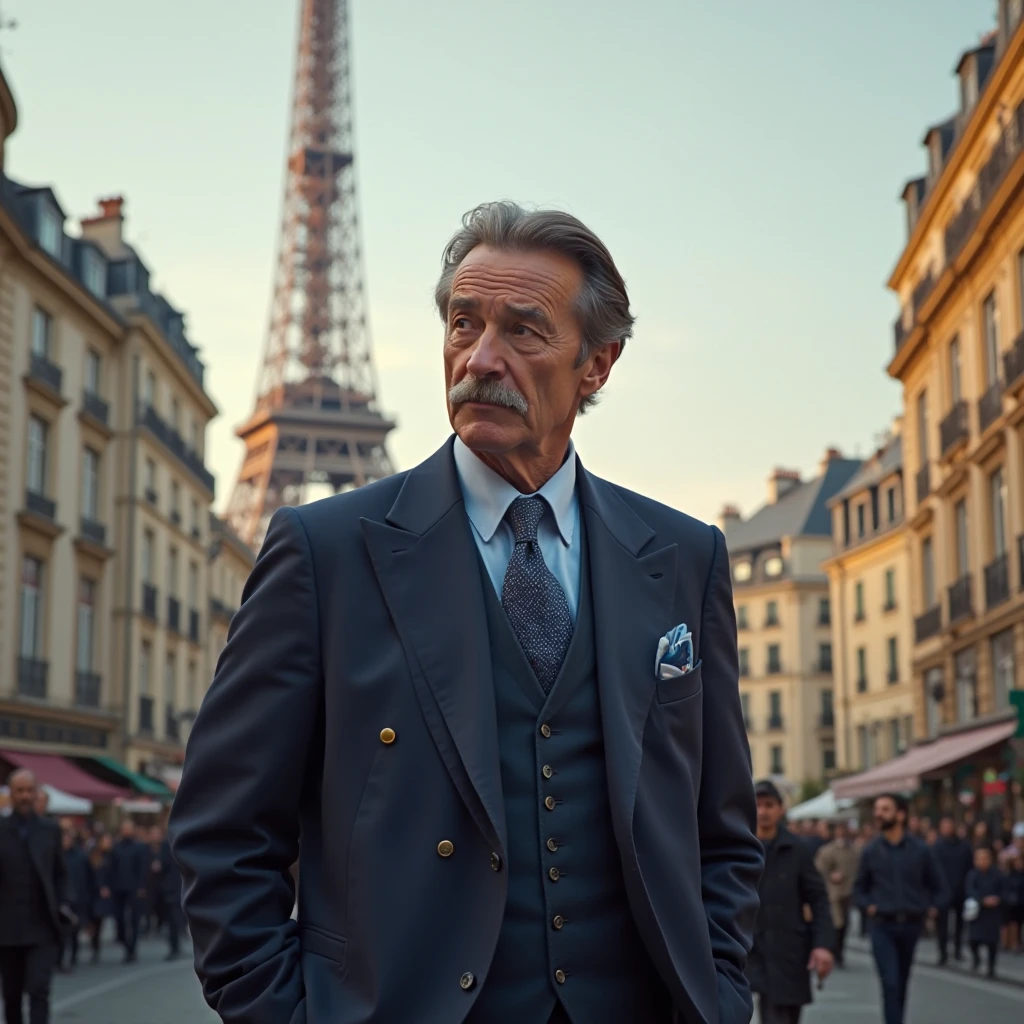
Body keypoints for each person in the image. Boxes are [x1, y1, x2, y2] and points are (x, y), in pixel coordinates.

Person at [170, 201, 764, 1024]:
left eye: (523, 331)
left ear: (597, 365)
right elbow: (223, 826)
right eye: (463, 323)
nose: (481, 358)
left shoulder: (683, 555)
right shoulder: (325, 551)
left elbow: (722, 824)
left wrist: (721, 994)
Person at [854, 793, 949, 1024]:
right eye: (877, 809)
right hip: (882, 925)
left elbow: (940, 887)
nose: (878, 814)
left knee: (902, 982)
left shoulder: (920, 850)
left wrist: (933, 908)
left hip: (911, 924)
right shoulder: (871, 850)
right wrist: (868, 906)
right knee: (891, 982)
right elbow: (859, 889)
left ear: (900, 814)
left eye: (885, 809)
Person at [745, 781, 833, 1024]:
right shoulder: (741, 848)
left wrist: (823, 945)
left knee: (785, 1016)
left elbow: (818, 899)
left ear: (780, 809)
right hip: (748, 948)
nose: (763, 811)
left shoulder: (798, 849)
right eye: (758, 805)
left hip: (788, 949)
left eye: (769, 805)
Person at [0, 769, 71, 1024]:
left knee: (40, 990)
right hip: (7, 930)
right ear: (11, 794)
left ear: (37, 792)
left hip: (42, 926)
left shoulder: (49, 830)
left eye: (30, 790)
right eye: (20, 791)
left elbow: (60, 873)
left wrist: (63, 903)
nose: (25, 796)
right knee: (11, 995)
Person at [814, 820, 860, 967]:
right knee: (836, 923)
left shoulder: (854, 851)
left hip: (848, 891)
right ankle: (834, 951)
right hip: (832, 892)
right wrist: (831, 876)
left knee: (845, 924)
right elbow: (819, 870)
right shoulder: (827, 851)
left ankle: (839, 951)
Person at [931, 815, 973, 965]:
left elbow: (970, 868)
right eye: (944, 825)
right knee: (942, 924)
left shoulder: (964, 846)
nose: (947, 828)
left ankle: (957, 950)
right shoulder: (936, 847)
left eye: (949, 825)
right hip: (942, 891)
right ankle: (942, 953)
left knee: (960, 924)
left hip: (960, 889)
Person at [108, 820, 147, 964]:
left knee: (134, 920)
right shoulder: (116, 847)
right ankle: (124, 942)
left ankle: (132, 949)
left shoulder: (139, 847)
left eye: (129, 828)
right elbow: (111, 868)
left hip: (134, 889)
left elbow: (143, 868)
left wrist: (141, 887)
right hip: (118, 888)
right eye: (124, 828)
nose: (126, 831)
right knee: (119, 918)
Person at [965, 845, 1003, 977]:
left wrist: (997, 899)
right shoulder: (973, 874)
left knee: (992, 942)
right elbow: (970, 890)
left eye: (985, 858)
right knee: (973, 940)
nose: (983, 861)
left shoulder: (997, 874)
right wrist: (982, 900)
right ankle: (976, 959)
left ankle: (991, 967)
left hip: (992, 913)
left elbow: (1003, 890)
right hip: (978, 912)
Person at [58, 828, 92, 972]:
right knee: (61, 932)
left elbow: (88, 877)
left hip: (77, 898)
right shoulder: (56, 856)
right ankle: (59, 960)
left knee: (74, 930)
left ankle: (73, 956)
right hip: (61, 899)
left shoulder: (81, 856)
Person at [149, 827, 183, 960]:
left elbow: (161, 865)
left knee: (172, 919)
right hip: (173, 886)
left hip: (169, 888)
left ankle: (174, 946)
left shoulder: (165, 846)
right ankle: (175, 945)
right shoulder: (175, 844)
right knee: (172, 919)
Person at [87, 834, 113, 965]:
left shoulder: (111, 856)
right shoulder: (91, 857)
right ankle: (94, 945)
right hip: (91, 894)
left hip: (102, 896)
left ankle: (96, 947)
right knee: (92, 921)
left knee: (99, 920)